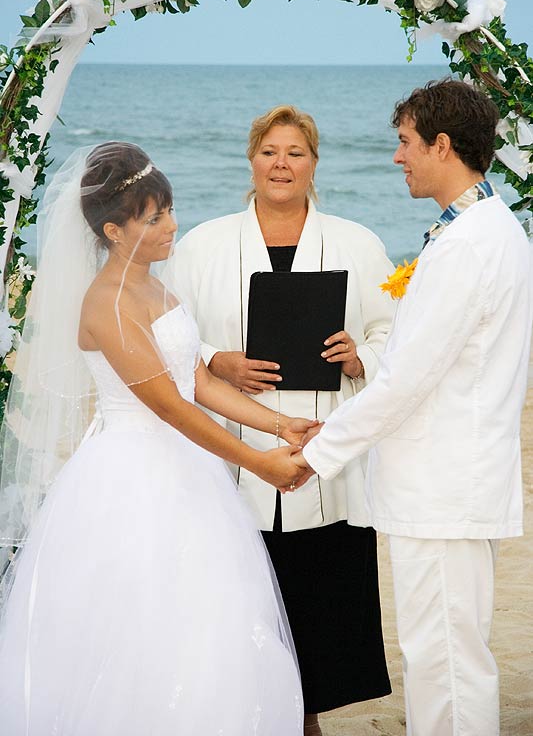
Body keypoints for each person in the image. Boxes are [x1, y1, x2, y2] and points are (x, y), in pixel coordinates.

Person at [0, 142, 312, 735]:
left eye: (169, 210)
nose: (172, 225)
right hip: (132, 475)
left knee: (210, 619)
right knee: (143, 625)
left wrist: (277, 424)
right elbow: (167, 405)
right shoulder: (108, 304)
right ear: (114, 230)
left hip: (187, 467)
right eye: (154, 218)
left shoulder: (154, 286)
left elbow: (193, 379)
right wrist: (257, 461)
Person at [288, 79, 533, 736]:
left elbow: (406, 383)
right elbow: (437, 357)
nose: (396, 157)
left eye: (404, 143)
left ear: (442, 145)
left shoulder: (467, 246)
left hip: (443, 488)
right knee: (448, 657)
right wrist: (367, 361)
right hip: (457, 481)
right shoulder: (490, 227)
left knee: (445, 665)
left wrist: (314, 453)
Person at [165, 105, 395, 734]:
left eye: (296, 152)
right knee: (241, 593)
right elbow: (170, 338)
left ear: (315, 163)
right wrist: (220, 361)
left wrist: (360, 356)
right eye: (270, 151)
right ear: (251, 159)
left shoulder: (357, 242)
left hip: (325, 445)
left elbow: (391, 331)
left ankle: (308, 716)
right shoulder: (204, 244)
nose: (282, 164)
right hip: (236, 443)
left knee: (319, 597)